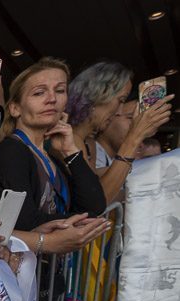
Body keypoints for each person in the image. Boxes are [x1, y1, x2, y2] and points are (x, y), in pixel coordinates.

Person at [0, 58, 110, 255]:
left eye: (60, 91)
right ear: (15, 108)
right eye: (39, 92)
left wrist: (70, 151)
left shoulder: (53, 159)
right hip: (18, 273)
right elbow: (23, 221)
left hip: (47, 273)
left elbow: (94, 206)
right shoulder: (11, 152)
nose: (52, 98)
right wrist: (76, 223)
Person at [69, 62, 173, 203]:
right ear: (98, 95)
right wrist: (134, 137)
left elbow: (92, 184)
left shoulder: (87, 143)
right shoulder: (68, 140)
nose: (118, 111)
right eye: (121, 100)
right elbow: (96, 202)